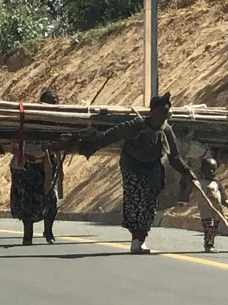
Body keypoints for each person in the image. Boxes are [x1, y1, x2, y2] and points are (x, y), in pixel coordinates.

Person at [79, 92, 197, 254]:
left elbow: (174, 156)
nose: (165, 114)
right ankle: (136, 240)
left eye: (167, 111)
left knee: (148, 204)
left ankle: (140, 239)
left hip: (152, 168)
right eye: (162, 111)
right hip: (132, 166)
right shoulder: (136, 124)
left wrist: (187, 172)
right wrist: (91, 145)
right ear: (152, 112)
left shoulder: (166, 130)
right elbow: (112, 134)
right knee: (137, 201)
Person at [10, 89, 62, 245]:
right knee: (27, 201)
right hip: (26, 166)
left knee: (50, 200)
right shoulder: (29, 119)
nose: (54, 103)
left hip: (45, 166)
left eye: (56, 100)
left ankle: (48, 231)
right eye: (50, 100)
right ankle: (27, 236)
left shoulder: (59, 122)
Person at [195, 158, 228, 253]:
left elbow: (222, 193)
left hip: (216, 210)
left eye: (214, 169)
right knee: (209, 226)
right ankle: (208, 244)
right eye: (209, 169)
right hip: (205, 210)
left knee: (214, 228)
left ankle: (211, 241)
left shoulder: (216, 183)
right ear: (202, 170)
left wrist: (225, 201)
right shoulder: (199, 183)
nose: (212, 172)